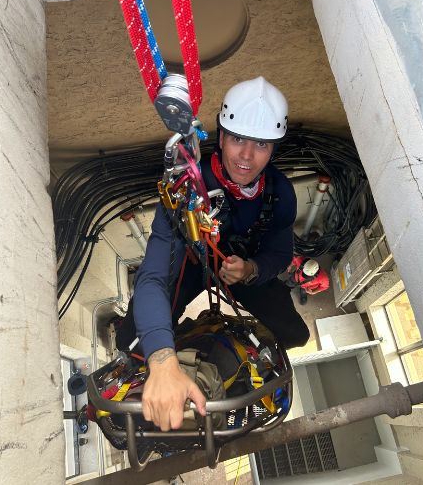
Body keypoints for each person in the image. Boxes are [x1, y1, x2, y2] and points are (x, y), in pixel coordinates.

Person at [130, 77, 304, 433]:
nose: (246, 155)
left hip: (239, 269)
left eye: (260, 144)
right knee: (133, 341)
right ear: (221, 137)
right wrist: (162, 360)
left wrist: (253, 269)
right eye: (238, 139)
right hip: (194, 265)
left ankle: (235, 353)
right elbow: (152, 276)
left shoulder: (280, 194)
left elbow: (282, 251)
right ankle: (177, 361)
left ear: (272, 151)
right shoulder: (186, 186)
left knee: (294, 334)